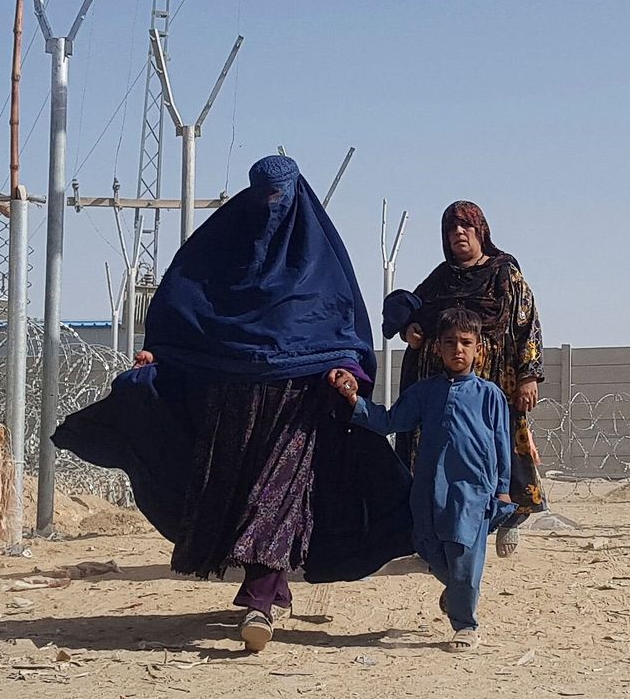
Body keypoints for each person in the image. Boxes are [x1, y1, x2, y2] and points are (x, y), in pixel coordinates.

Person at [54, 156, 413, 653]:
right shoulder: (220, 248)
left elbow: (341, 327)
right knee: (236, 491)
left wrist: (346, 373)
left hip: (298, 400)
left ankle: (260, 599)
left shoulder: (318, 259)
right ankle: (270, 581)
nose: (270, 207)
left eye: (279, 197)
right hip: (228, 398)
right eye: (262, 195)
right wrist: (161, 353)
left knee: (279, 491)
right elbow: (188, 306)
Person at [329, 306, 513, 651]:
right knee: (429, 549)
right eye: (450, 342)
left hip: (472, 492)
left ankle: (465, 624)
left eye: (465, 342)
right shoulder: (424, 392)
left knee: (463, 555)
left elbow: (502, 443)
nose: (458, 349)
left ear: (478, 349)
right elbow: (390, 421)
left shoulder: (490, 395)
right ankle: (458, 590)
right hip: (428, 488)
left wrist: (502, 490)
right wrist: (353, 400)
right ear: (438, 349)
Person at [399, 201, 545, 558]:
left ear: (481, 231)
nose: (458, 234)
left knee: (500, 445)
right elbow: (412, 310)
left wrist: (528, 375)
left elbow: (527, 323)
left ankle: (509, 516)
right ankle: (439, 530)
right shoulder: (439, 279)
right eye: (451, 229)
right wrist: (410, 329)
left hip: (495, 381)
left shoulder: (504, 272)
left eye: (465, 227)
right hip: (443, 384)